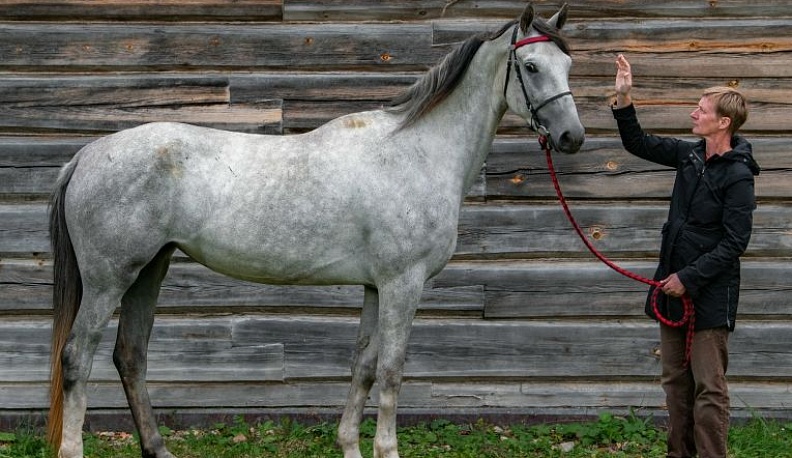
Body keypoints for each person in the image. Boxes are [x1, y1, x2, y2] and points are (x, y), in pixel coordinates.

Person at [611, 54, 760, 458]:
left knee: (709, 388)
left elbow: (734, 243)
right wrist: (624, 98)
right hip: (671, 287)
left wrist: (688, 279)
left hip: (709, 295)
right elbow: (637, 142)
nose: (694, 113)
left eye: (702, 110)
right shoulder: (689, 155)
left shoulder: (739, 176)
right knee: (675, 381)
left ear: (723, 122)